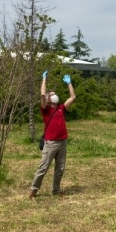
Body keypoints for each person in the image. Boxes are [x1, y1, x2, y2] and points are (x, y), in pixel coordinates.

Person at [29, 70, 76, 199]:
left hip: (62, 142)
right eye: (52, 94)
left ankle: (56, 190)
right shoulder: (45, 109)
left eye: (55, 94)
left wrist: (69, 83)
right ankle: (34, 190)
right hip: (51, 143)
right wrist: (44, 79)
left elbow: (73, 97)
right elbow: (42, 94)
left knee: (60, 169)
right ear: (49, 99)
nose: (54, 95)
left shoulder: (61, 108)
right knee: (43, 167)